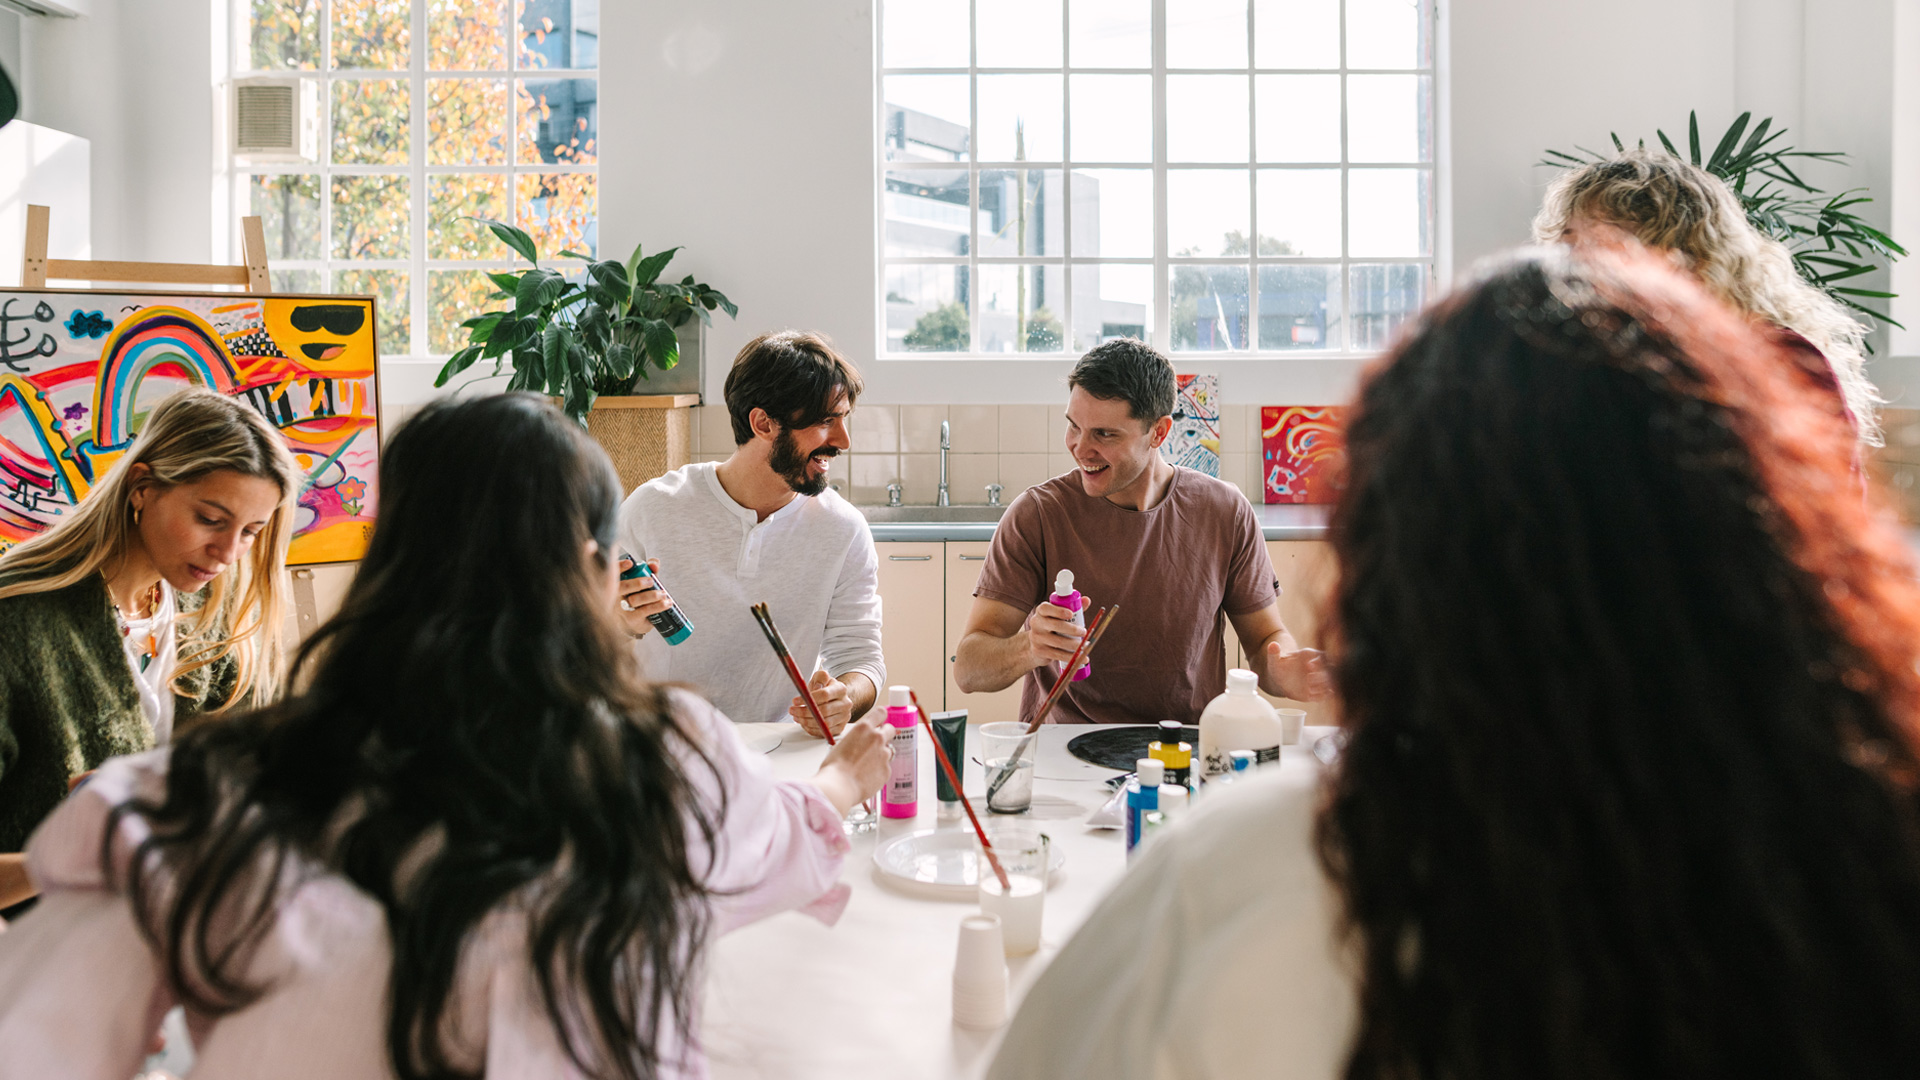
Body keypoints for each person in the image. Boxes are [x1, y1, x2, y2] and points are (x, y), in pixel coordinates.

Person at [990, 245, 1920, 1080]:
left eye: (1102, 431)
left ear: (1400, 552)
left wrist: (1292, 667)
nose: (1082, 450)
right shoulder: (1860, 848)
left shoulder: (1255, 872)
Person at [0, 393, 891, 1079]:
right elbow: (777, 834)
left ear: (389, 564)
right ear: (590, 572)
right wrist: (846, 781)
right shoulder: (671, 770)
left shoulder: (211, 797)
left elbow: (38, 1041)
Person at [0, 388, 300, 912]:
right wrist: (72, 858)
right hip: (39, 957)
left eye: (251, 532)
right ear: (142, 487)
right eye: (210, 518)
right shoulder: (18, 622)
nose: (228, 554)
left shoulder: (212, 611)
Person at [952, 339, 1328, 725]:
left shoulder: (1225, 511)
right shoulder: (1036, 515)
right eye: (1073, 426)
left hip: (1186, 746)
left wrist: (1284, 672)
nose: (1081, 448)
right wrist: (1027, 648)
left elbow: (1265, 640)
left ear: (1159, 432)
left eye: (1105, 434)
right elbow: (968, 668)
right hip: (1066, 748)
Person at [617, 330, 884, 736]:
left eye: (843, 420)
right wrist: (623, 624)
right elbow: (578, 644)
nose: (843, 441)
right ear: (762, 423)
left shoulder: (843, 529)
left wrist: (843, 697)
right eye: (826, 421)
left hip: (778, 748)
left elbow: (862, 658)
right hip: (661, 749)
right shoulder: (653, 508)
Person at [1534, 147, 1882, 446]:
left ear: (1683, 255)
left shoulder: (1782, 356)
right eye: (1568, 239)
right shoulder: (1575, 353)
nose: (1576, 260)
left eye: (1604, 242)